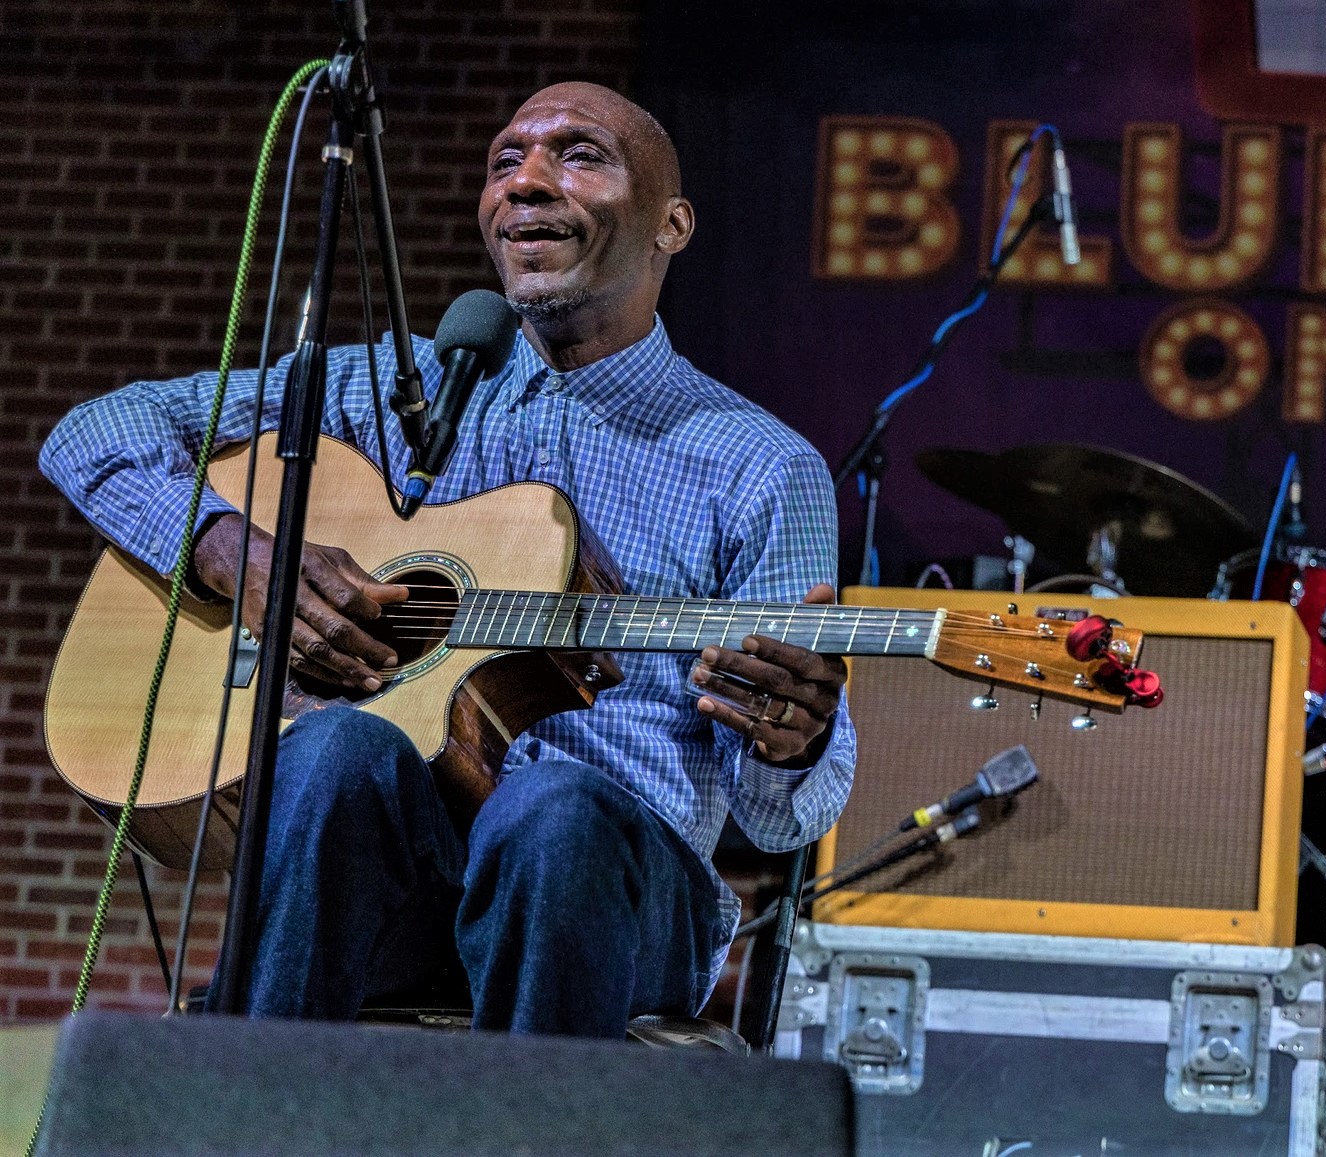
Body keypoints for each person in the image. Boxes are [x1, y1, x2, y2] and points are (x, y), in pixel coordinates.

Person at [40, 82, 855, 1037]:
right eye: (506, 159)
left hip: (615, 894)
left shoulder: (760, 465)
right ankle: (246, 1112)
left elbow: (783, 823)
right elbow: (94, 430)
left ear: (671, 225)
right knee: (336, 747)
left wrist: (790, 742)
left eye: (579, 155)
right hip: (401, 875)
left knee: (551, 811)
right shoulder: (396, 390)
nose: (528, 182)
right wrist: (234, 550)